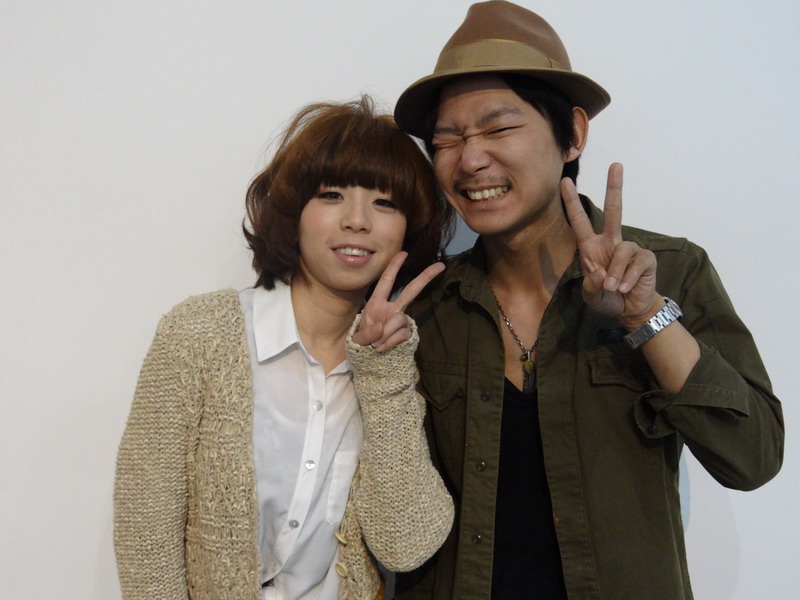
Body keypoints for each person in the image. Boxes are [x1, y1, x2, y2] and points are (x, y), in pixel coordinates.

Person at [391, 2, 785, 599]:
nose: (470, 160)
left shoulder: (672, 270)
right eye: (447, 139)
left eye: (498, 129)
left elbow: (752, 458)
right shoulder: (427, 304)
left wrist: (644, 315)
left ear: (573, 134)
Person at [113, 96, 455, 600]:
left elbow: (405, 546)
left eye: (385, 203)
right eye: (332, 195)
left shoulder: (405, 359)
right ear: (294, 211)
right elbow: (146, 532)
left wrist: (384, 376)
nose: (357, 221)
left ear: (409, 226)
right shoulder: (200, 335)